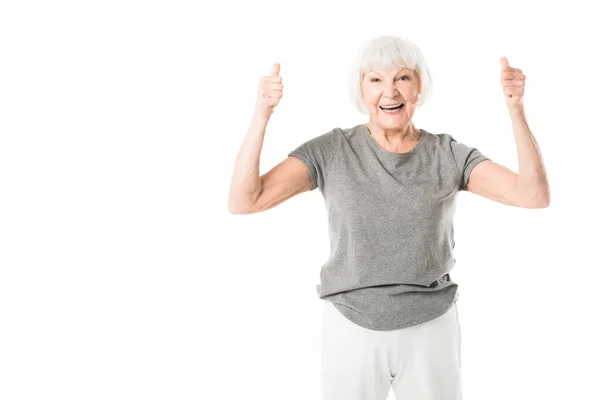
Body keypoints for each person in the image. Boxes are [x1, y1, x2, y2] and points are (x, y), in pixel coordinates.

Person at [228, 35, 550, 400]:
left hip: (431, 324)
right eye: (376, 79)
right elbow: (245, 200)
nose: (390, 92)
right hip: (351, 325)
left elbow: (533, 195)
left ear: (419, 87)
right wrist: (261, 116)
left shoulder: (447, 154)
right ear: (361, 88)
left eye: (403, 78)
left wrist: (517, 111)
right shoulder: (331, 151)